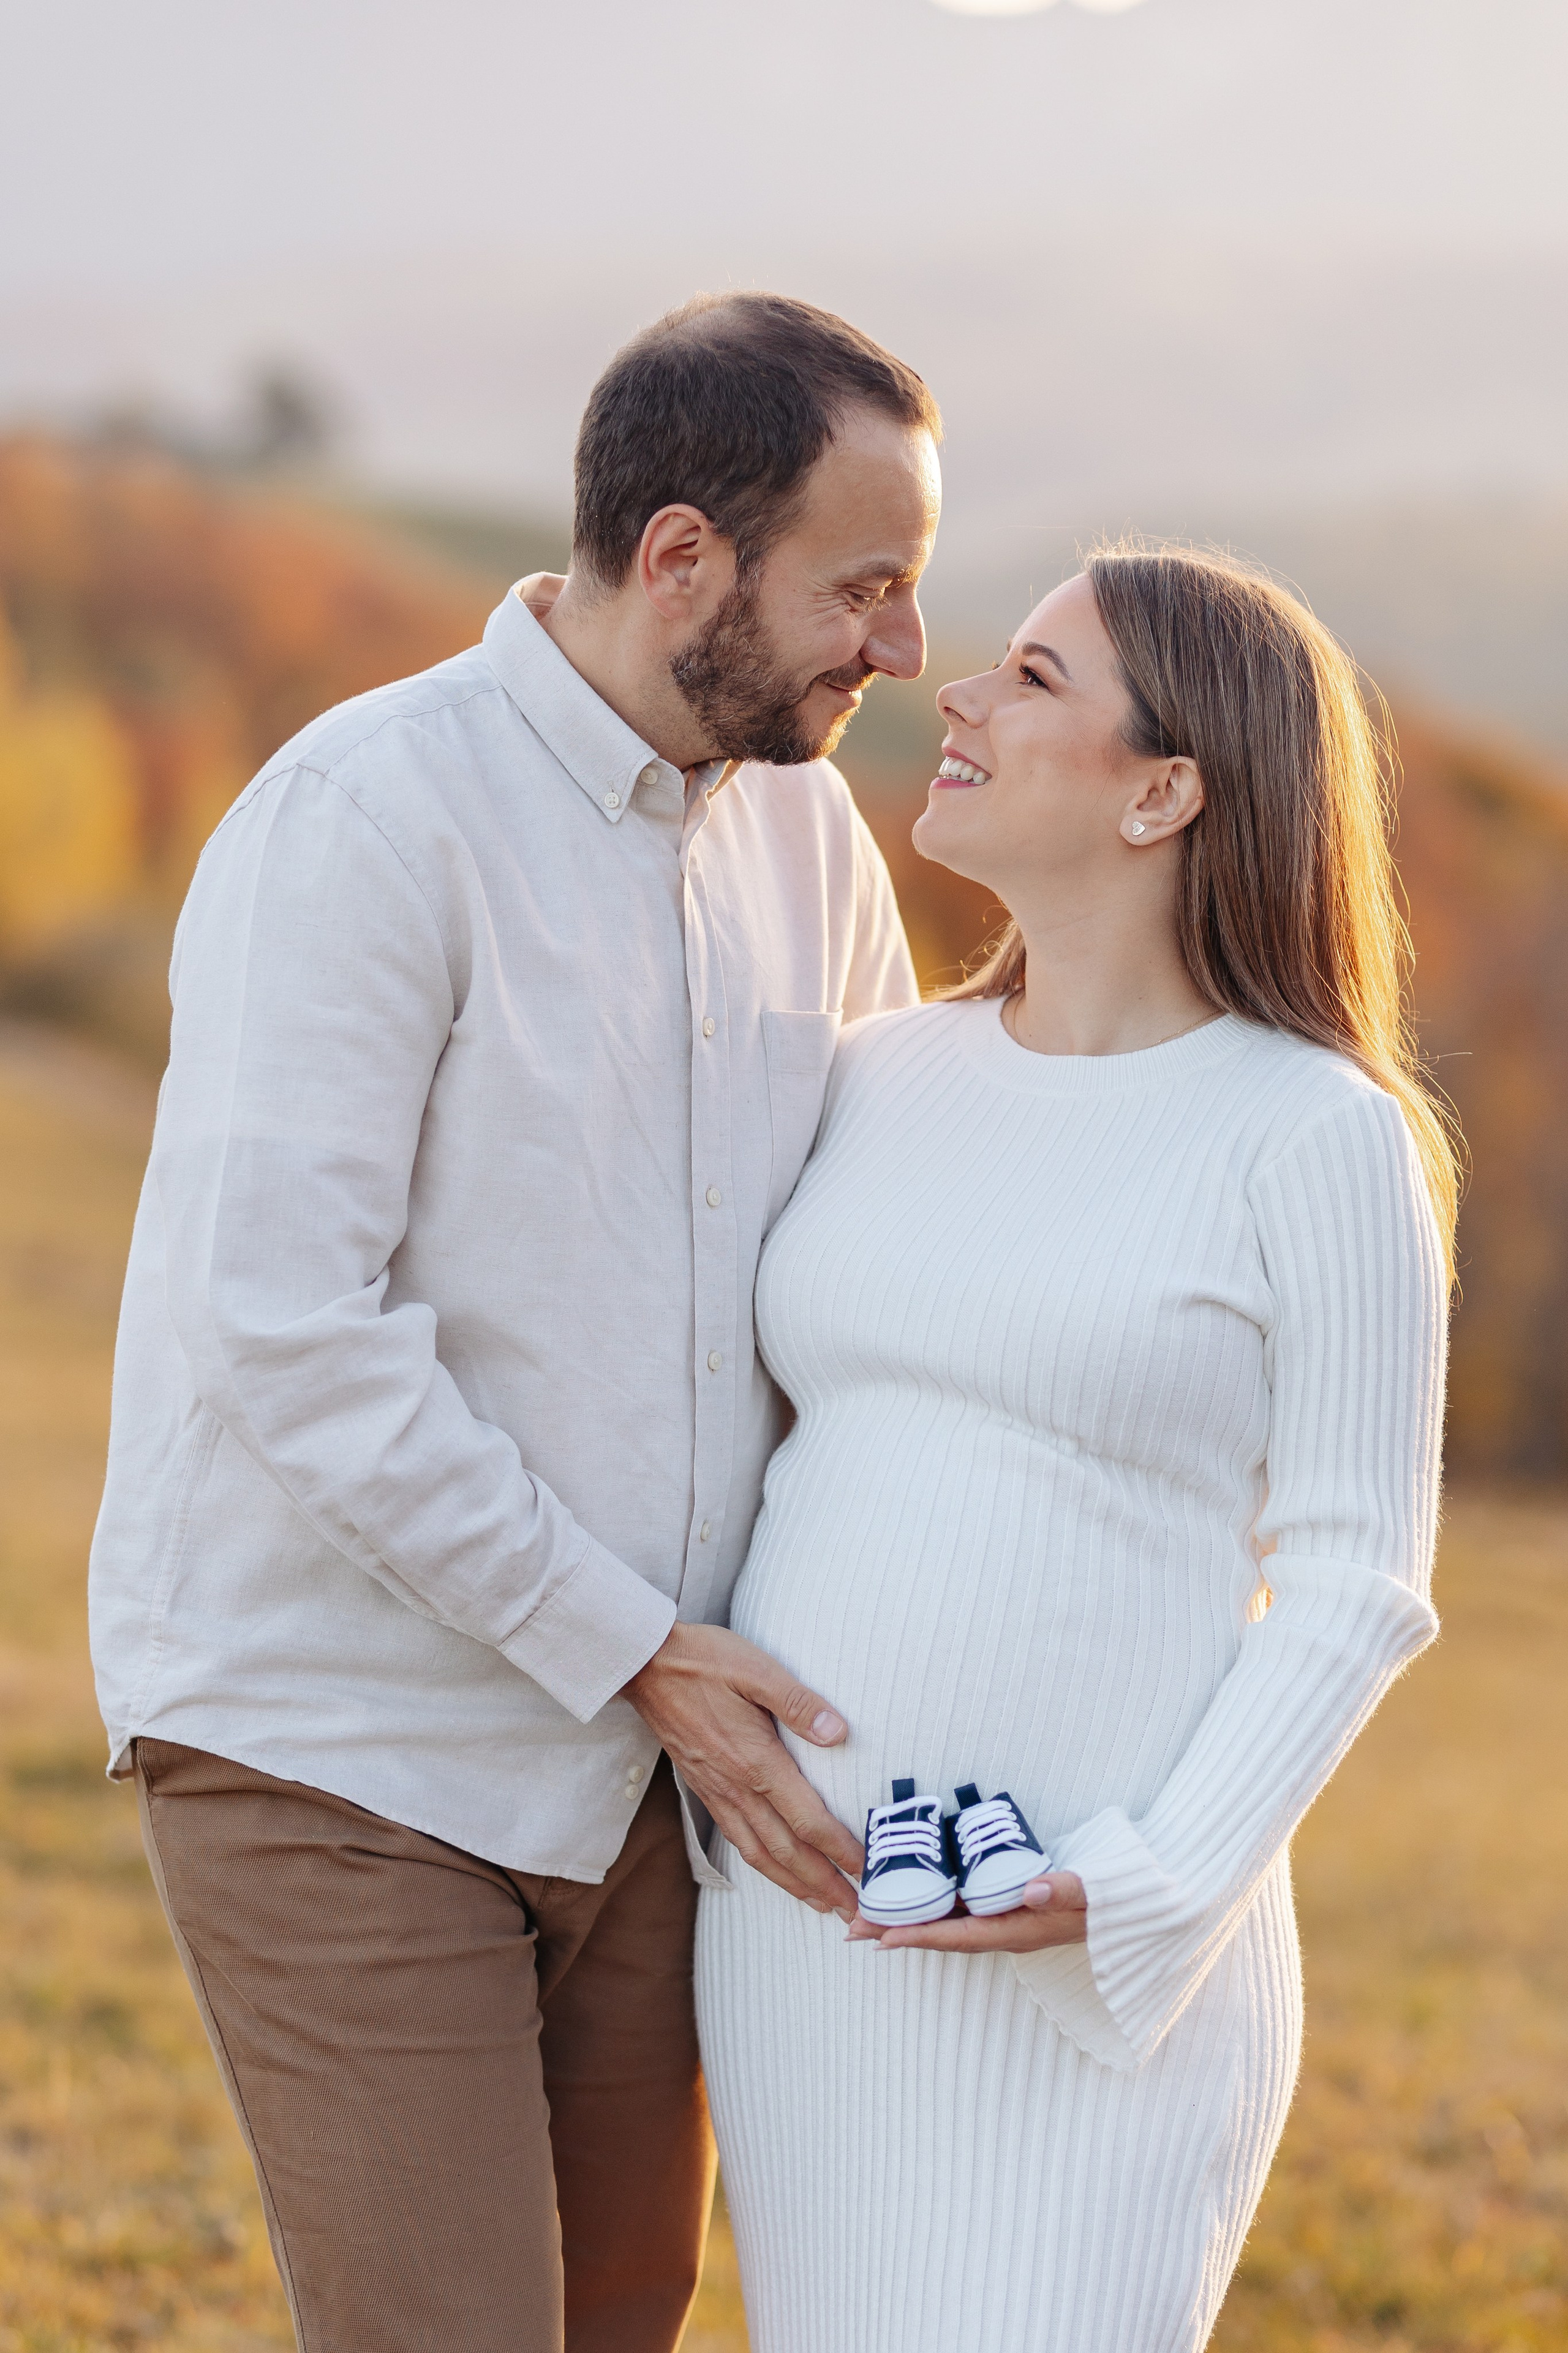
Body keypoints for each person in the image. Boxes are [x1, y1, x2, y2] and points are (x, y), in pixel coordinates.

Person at [88, 291, 942, 2353]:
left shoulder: (811, 833)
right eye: (867, 585)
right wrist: (631, 1641)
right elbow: (286, 1321)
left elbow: (885, 1246)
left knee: (619, 2323)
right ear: (679, 562)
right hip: (343, 1742)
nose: (904, 648)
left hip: (658, 1773)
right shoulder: (368, 816)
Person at [696, 543, 1457, 2353]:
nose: (953, 691)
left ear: (1165, 788)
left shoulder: (1315, 1134)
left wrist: (1144, 1882)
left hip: (1102, 1979)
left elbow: (1362, 1582)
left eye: (1034, 679)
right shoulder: (877, 1075)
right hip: (815, 1936)